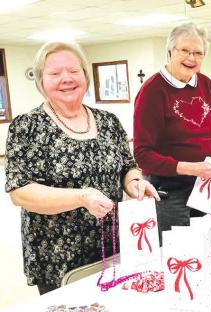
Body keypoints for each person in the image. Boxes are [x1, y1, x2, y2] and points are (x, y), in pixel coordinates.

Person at [4, 41, 159, 295]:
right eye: (55, 73)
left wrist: (133, 183)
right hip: (58, 255)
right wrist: (81, 196)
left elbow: (127, 167)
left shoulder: (108, 121)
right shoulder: (27, 126)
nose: (66, 79)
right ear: (41, 81)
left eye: (74, 71)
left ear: (85, 76)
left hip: (112, 244)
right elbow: (20, 191)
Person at [134, 22, 211, 239]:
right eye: (185, 51)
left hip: (206, 186)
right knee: (178, 252)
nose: (192, 58)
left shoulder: (205, 84)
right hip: (169, 191)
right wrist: (192, 168)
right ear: (169, 52)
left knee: (205, 246)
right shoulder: (152, 90)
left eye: (198, 53)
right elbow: (143, 156)